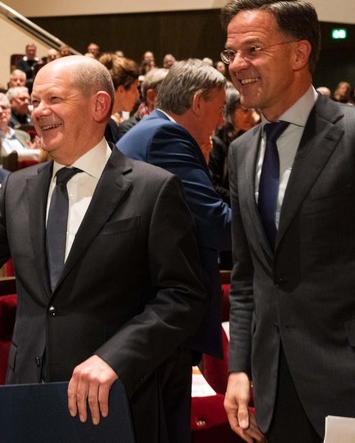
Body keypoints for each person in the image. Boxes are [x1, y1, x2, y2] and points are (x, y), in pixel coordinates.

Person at [0, 56, 205, 443]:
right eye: (35, 101)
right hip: (30, 399)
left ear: (99, 105)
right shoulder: (19, 188)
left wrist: (115, 357)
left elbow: (182, 298)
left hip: (114, 399)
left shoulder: (153, 189)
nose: (39, 112)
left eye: (54, 98)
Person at [220, 0, 355, 443]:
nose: (237, 64)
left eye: (253, 49)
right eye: (231, 52)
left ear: (300, 54)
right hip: (275, 392)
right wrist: (239, 366)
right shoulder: (240, 152)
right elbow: (247, 276)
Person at [116, 59, 230, 442]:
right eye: (220, 107)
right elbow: (214, 222)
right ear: (198, 102)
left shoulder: (151, 131)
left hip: (145, 312)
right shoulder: (167, 137)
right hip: (161, 316)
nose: (221, 119)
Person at [208, 86, 257, 203]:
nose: (253, 116)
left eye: (253, 110)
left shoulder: (244, 139)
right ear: (229, 111)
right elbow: (213, 185)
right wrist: (242, 202)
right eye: (246, 110)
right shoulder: (215, 142)